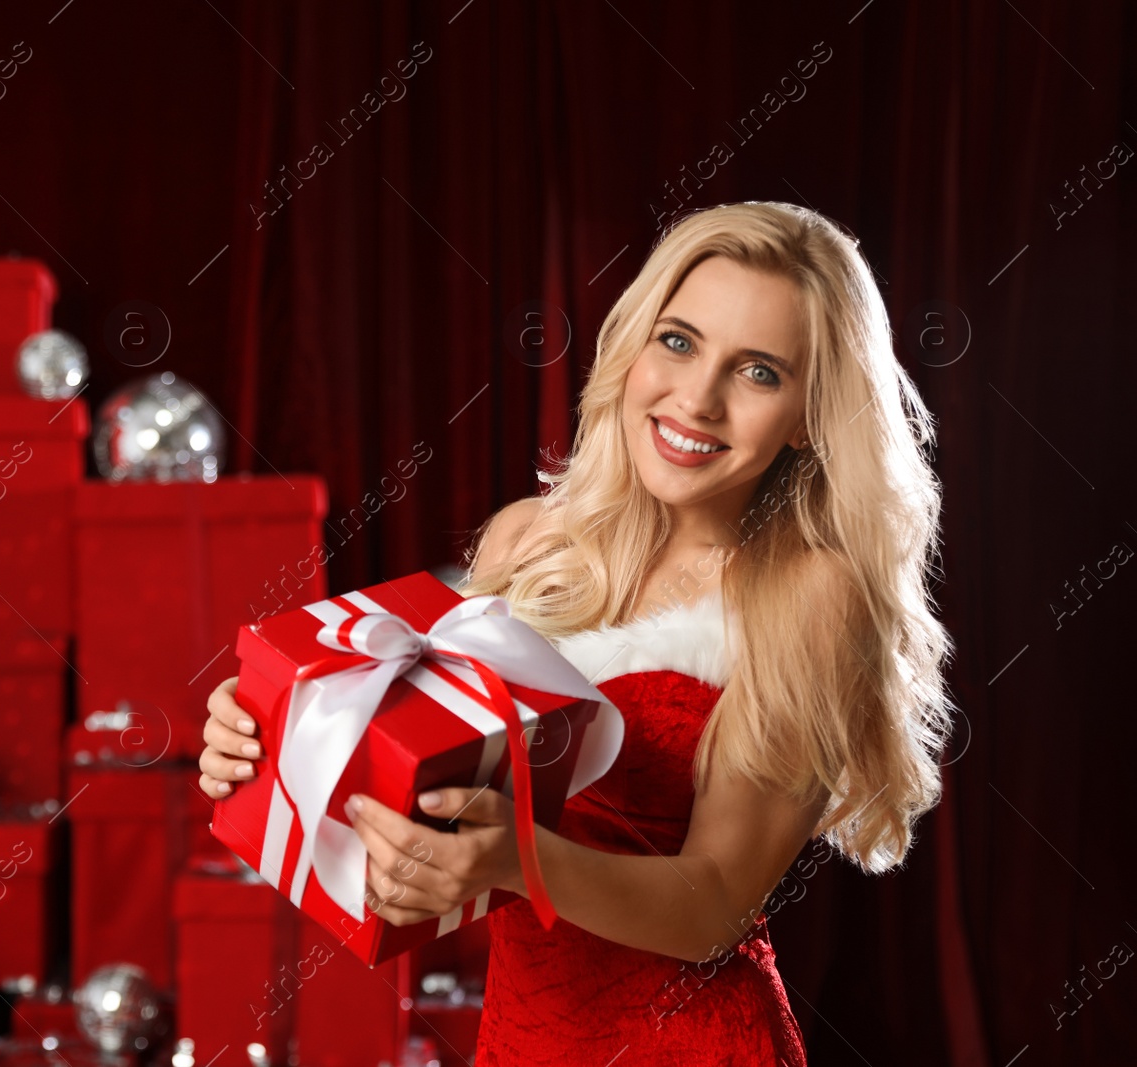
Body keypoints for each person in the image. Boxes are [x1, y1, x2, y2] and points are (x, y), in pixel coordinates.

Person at [198, 201, 953, 1064]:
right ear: (632, 346)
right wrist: (273, 737)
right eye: (678, 341)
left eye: (758, 372)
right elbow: (420, 793)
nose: (697, 398)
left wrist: (518, 863)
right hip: (524, 1033)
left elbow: (713, 907)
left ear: (812, 416)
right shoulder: (528, 540)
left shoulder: (812, 594)